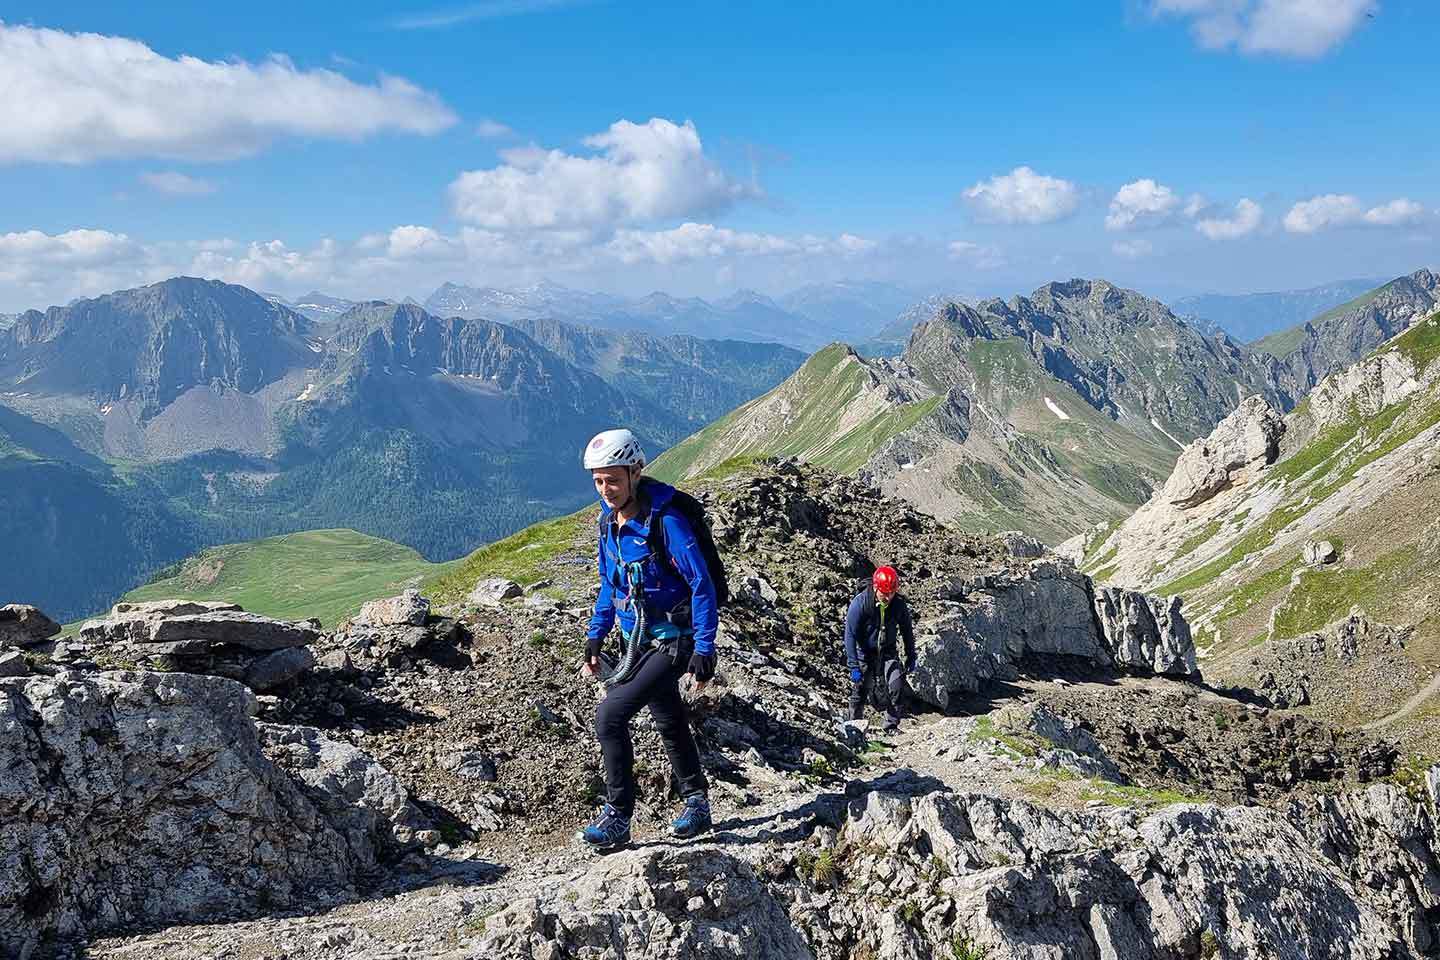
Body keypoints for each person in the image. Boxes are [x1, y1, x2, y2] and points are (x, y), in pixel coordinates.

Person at [579, 428, 718, 853]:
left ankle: (618, 814)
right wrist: (596, 634)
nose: (606, 490)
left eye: (613, 480)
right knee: (668, 718)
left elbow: (702, 584)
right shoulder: (608, 524)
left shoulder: (667, 522)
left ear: (636, 472)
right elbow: (610, 584)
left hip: (674, 640)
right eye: (599, 481)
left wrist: (704, 649)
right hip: (635, 638)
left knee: (609, 716)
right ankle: (697, 803)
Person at [843, 565, 916, 734]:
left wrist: (911, 655)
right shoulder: (860, 603)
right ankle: (854, 726)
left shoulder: (898, 605)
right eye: (885, 593)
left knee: (897, 685)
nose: (888, 597)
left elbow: (907, 631)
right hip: (865, 652)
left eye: (891, 593)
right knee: (860, 689)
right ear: (876, 587)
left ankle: (891, 725)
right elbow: (850, 635)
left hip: (887, 651)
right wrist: (853, 666)